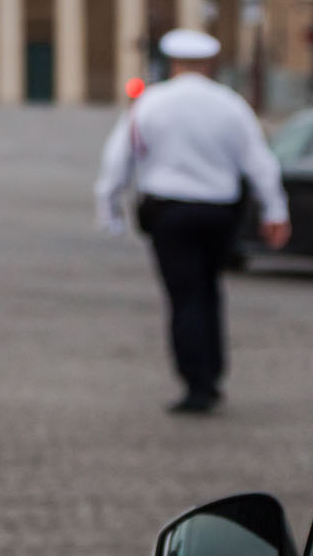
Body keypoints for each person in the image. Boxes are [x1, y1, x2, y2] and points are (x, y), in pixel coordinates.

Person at [95, 29, 290, 414]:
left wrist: (109, 208)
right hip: (219, 212)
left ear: (173, 63)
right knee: (209, 290)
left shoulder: (150, 102)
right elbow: (259, 161)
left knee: (184, 296)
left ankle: (195, 383)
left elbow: (119, 158)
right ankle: (213, 373)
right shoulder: (230, 104)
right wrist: (275, 211)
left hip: (170, 213)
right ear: (209, 64)